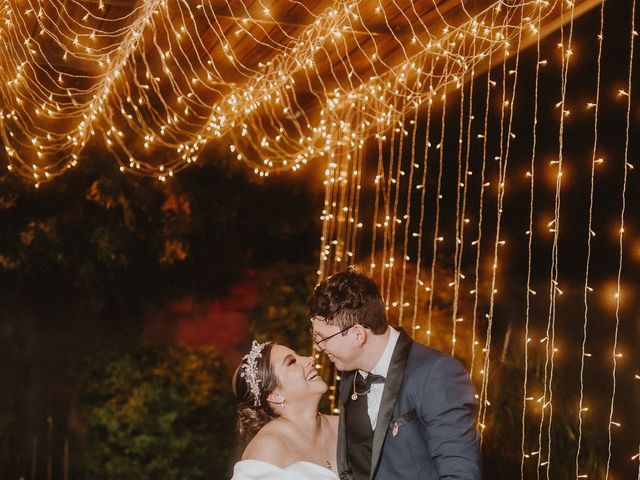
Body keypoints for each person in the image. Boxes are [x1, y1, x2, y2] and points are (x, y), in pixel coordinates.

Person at [308, 266, 481, 479]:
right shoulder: (348, 377)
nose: (317, 347)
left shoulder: (437, 373)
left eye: (322, 338)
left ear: (357, 334)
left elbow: (459, 473)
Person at [231, 340, 339, 479]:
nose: (308, 360)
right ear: (275, 395)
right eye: (291, 362)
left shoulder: (345, 425)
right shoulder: (267, 450)